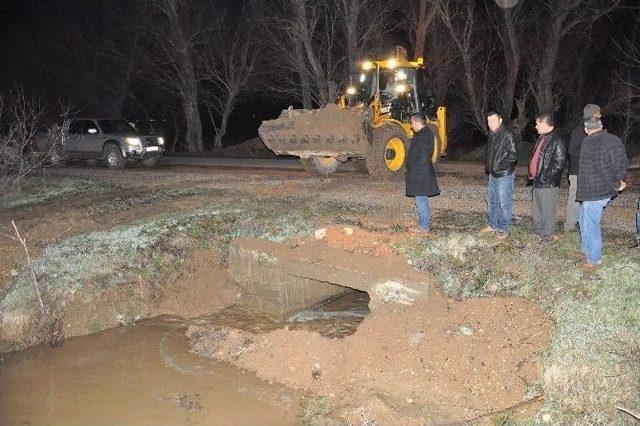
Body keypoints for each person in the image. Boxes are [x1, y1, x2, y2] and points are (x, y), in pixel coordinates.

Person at [576, 104, 628, 268]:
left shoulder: (590, 142)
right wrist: (619, 180)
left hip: (597, 191)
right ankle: (585, 248)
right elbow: (622, 163)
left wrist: (617, 183)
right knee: (584, 218)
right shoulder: (613, 139)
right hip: (592, 191)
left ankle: (594, 259)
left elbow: (604, 167)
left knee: (590, 224)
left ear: (586, 128)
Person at [528, 113, 567, 242]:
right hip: (537, 181)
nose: (536, 126)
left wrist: (545, 176)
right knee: (538, 209)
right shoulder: (542, 138)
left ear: (545, 124)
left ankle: (547, 235)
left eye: (538, 123)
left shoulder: (557, 140)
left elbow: (560, 163)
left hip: (548, 182)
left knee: (547, 210)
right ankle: (538, 230)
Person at [480, 111, 517, 238]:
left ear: (500, 121)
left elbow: (513, 156)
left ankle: (504, 228)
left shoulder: (507, 134)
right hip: (492, 174)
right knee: (492, 201)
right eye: (488, 121)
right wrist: (490, 167)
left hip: (504, 175)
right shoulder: (492, 134)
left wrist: (499, 167)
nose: (490, 123)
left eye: (493, 120)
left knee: (503, 203)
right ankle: (492, 225)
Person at [405, 113, 440, 232]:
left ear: (417, 122)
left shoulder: (424, 135)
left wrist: (414, 168)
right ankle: (423, 224)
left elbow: (424, 156)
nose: (411, 125)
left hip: (420, 173)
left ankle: (424, 226)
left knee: (421, 199)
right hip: (419, 172)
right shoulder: (423, 133)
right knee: (420, 199)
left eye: (412, 123)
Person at [564, 123, 586, 231]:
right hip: (576, 171)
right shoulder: (579, 130)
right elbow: (572, 150)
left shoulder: (590, 130)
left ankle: (580, 222)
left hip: (587, 171)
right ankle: (570, 225)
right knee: (575, 199)